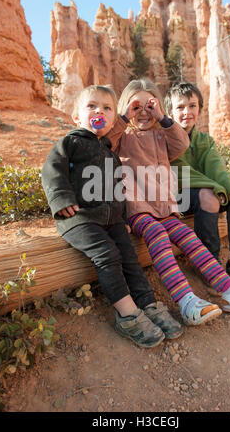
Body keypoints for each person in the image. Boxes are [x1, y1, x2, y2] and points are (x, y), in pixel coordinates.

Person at [107, 78, 230, 327]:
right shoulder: (123, 136)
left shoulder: (161, 136)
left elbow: (182, 143)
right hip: (138, 207)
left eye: (148, 106)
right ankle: (185, 299)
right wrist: (123, 117)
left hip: (165, 207)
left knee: (190, 239)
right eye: (136, 106)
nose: (142, 112)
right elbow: (104, 143)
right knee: (157, 235)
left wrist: (163, 118)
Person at [42, 84, 183, 348]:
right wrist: (61, 199)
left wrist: (122, 218)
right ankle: (128, 314)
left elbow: (117, 188)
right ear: (76, 117)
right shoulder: (70, 142)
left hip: (111, 220)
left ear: (112, 118)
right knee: (108, 255)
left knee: (130, 258)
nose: (100, 112)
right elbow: (52, 170)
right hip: (80, 219)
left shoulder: (110, 151)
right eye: (92, 106)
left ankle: (148, 305)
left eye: (107, 108)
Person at [164, 81, 230, 294]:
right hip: (176, 198)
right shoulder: (166, 138)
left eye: (192, 106)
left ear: (200, 109)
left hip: (205, 191)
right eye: (180, 107)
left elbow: (215, 167)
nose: (187, 112)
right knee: (208, 196)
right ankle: (209, 266)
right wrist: (215, 187)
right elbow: (181, 173)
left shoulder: (204, 140)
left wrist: (228, 185)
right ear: (169, 112)